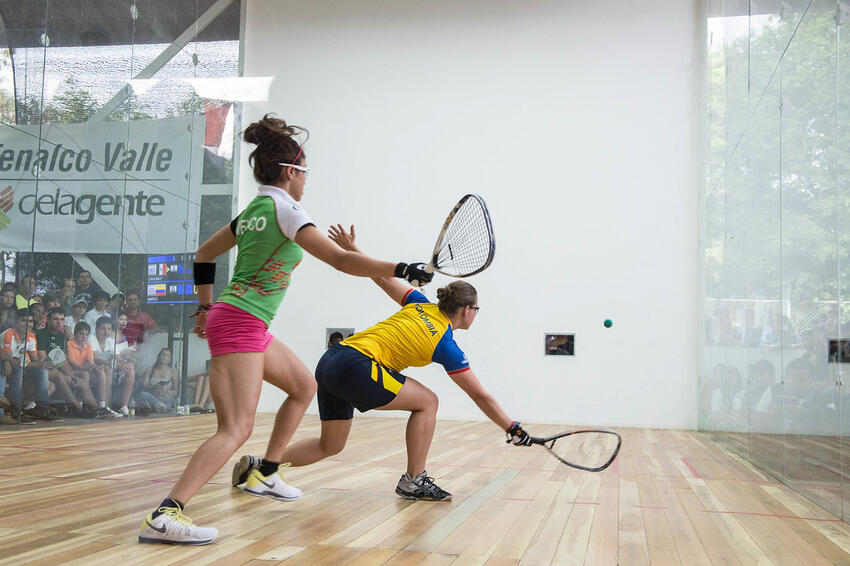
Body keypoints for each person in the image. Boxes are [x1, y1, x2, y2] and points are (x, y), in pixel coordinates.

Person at [138, 114, 432, 546]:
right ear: (291, 172)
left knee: (302, 386)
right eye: (306, 172)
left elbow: (203, 254)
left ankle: (266, 471)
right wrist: (401, 267)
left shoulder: (255, 209)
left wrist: (205, 307)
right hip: (240, 321)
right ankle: (166, 514)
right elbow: (340, 261)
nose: (307, 181)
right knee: (234, 429)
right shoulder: (287, 209)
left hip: (242, 320)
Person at [232, 225, 533, 505]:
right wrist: (512, 427)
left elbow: (379, 276)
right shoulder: (446, 344)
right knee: (428, 402)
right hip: (357, 365)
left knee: (331, 444)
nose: (476, 314)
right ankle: (414, 480)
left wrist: (354, 250)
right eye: (476, 309)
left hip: (332, 360)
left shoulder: (419, 302)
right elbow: (479, 395)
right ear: (466, 310)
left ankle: (263, 466)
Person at [0, 309, 51, 423]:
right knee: (18, 370)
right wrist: (27, 364)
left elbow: (36, 361)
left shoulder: (31, 337)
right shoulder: (8, 334)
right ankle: (17, 412)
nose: (28, 324)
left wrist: (42, 364)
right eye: (24, 320)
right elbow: (8, 358)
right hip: (5, 366)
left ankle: (42, 409)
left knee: (43, 372)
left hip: (19, 366)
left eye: (31, 321)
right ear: (15, 321)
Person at [66, 321, 114, 418]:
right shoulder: (70, 344)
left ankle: (102, 405)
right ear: (75, 334)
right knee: (85, 374)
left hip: (83, 370)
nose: (84, 336)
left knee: (101, 372)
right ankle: (81, 404)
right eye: (81, 334)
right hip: (71, 371)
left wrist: (96, 368)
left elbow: (91, 362)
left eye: (87, 334)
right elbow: (73, 364)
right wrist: (89, 368)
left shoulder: (88, 345)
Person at [138, 347, 179, 412]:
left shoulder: (173, 372)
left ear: (170, 360)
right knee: (142, 394)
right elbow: (143, 387)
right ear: (159, 356)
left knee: (169, 403)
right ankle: (158, 406)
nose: (164, 357)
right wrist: (153, 387)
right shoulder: (150, 370)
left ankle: (157, 406)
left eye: (167, 356)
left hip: (165, 399)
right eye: (163, 354)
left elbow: (176, 392)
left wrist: (166, 391)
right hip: (152, 397)